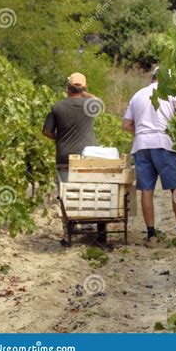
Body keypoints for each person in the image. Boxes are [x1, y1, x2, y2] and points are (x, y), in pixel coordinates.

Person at [122, 67, 176, 240]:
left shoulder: (137, 95)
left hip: (141, 145)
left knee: (146, 189)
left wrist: (143, 133)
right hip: (165, 143)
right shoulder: (174, 94)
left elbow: (127, 125)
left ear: (152, 77)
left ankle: (151, 233)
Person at [42, 72, 106, 243]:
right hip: (87, 158)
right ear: (84, 88)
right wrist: (85, 92)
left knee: (66, 194)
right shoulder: (90, 105)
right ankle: (89, 226)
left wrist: (60, 138)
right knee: (88, 193)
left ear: (67, 88)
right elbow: (99, 101)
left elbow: (46, 131)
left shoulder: (57, 107)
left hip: (64, 157)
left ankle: (69, 230)